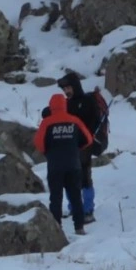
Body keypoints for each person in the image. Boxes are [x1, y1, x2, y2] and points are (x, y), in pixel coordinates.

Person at [34, 94, 93, 235]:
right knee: (76, 197)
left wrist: (48, 152)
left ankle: (57, 228)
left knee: (55, 198)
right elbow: (88, 139)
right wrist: (76, 148)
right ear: (64, 105)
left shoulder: (46, 123)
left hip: (55, 166)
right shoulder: (75, 121)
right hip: (74, 165)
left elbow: (39, 143)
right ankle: (79, 227)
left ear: (51, 106)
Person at [57, 72, 100, 224]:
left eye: (68, 88)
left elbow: (95, 122)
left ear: (75, 86)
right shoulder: (65, 104)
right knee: (69, 178)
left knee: (85, 177)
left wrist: (85, 137)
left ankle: (88, 210)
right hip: (69, 146)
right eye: (64, 89)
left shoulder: (88, 101)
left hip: (85, 145)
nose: (66, 91)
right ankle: (74, 207)